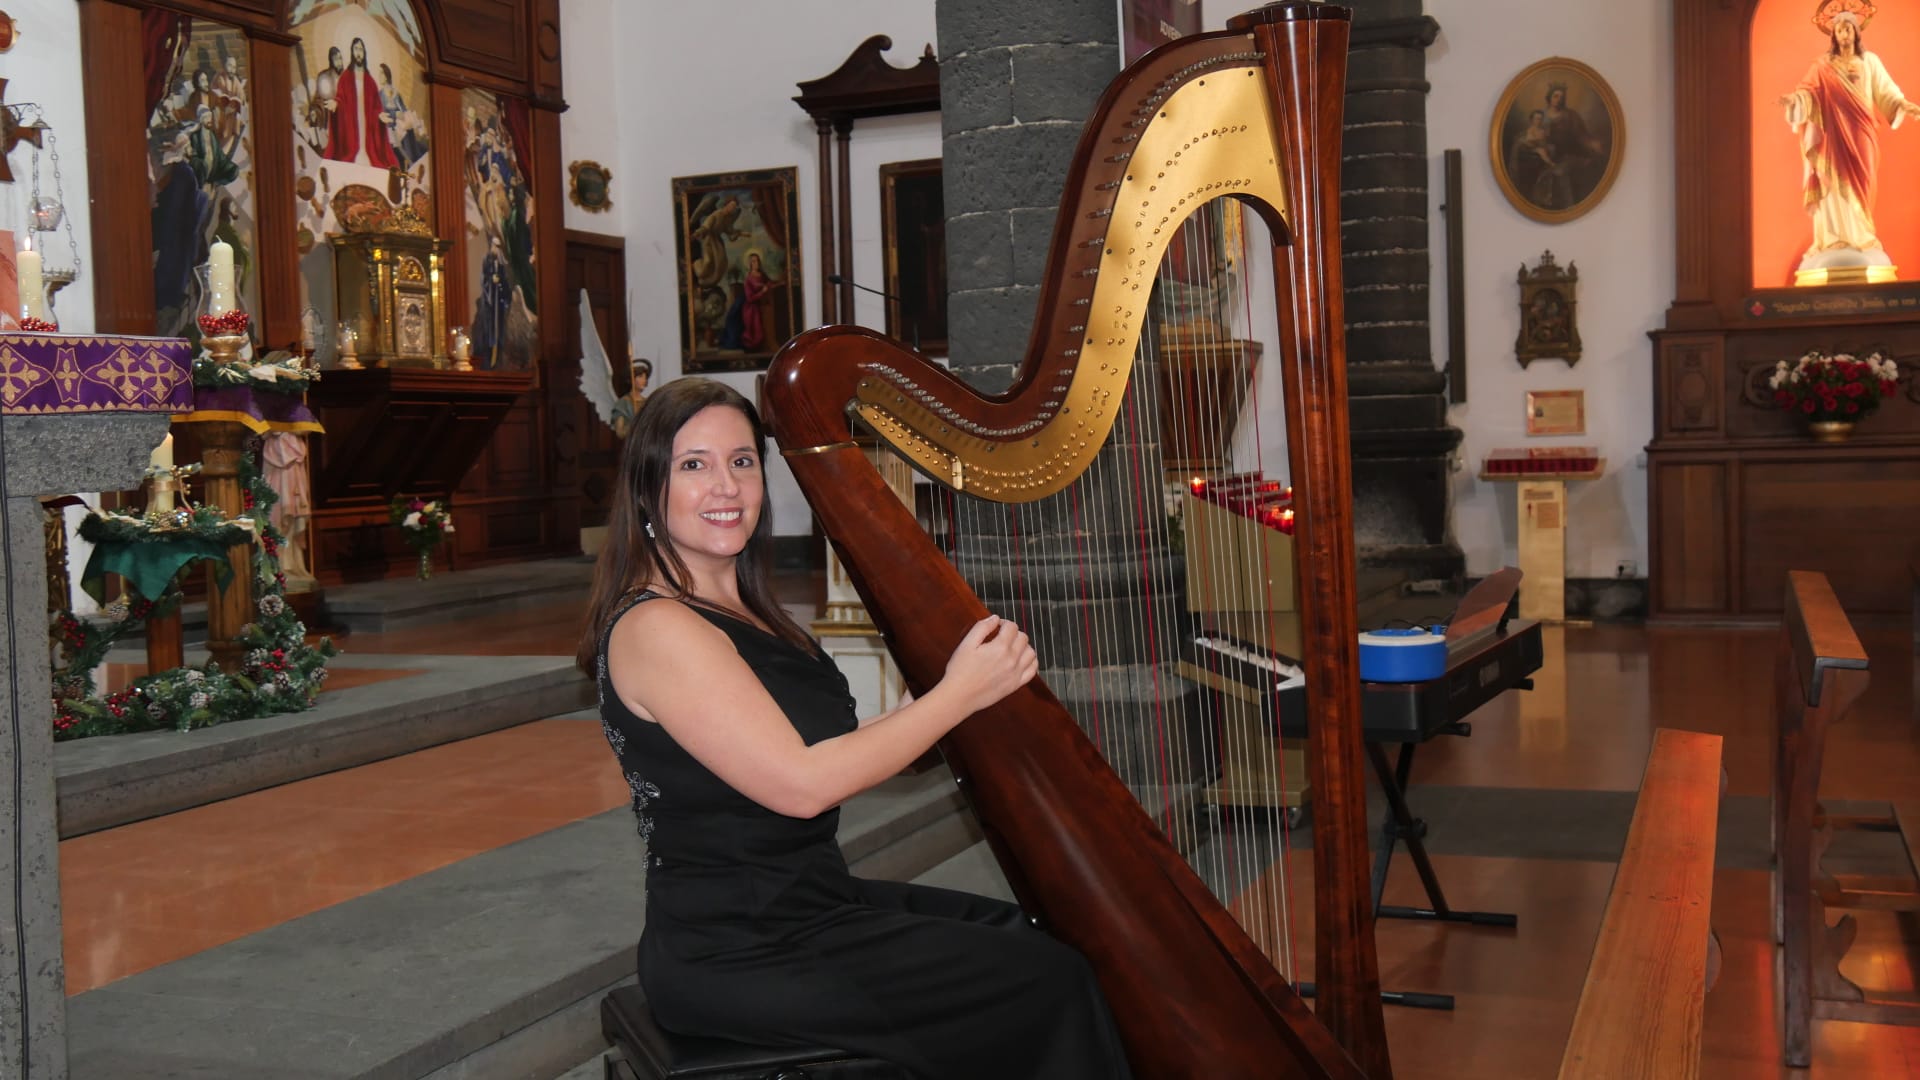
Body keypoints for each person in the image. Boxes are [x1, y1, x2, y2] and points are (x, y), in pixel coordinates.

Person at [575, 378, 1134, 1079]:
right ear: (647, 488)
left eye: (742, 461)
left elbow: (827, 747)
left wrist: (930, 692)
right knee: (1047, 980)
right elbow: (803, 785)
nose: (726, 485)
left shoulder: (750, 611)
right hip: (738, 946)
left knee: (1019, 928)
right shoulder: (657, 626)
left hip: (808, 902)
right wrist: (957, 696)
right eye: (695, 464)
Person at [1779, 0, 1920, 277]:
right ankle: (1834, 238)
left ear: (1857, 33)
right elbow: (1807, 92)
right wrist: (1794, 100)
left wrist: (1904, 105)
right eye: (1840, 30)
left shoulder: (1870, 61)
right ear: (1834, 35)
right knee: (1831, 186)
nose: (1844, 34)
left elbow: (1887, 92)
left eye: (1849, 29)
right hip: (1832, 137)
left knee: (1863, 185)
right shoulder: (1822, 66)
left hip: (1862, 133)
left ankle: (1861, 236)